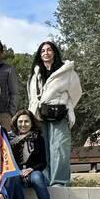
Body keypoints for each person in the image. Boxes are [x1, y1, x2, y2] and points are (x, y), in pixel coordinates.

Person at [28, 40, 82, 187]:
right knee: (43, 148)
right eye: (43, 50)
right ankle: (45, 178)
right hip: (40, 115)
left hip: (59, 114)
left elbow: (76, 93)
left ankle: (59, 181)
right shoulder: (36, 74)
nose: (46, 53)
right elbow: (32, 96)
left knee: (59, 148)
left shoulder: (67, 72)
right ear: (40, 54)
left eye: (49, 50)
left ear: (54, 52)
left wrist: (67, 106)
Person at [10, 109, 58, 199]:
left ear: (32, 123)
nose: (23, 124)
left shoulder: (38, 139)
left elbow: (43, 162)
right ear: (16, 122)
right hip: (17, 172)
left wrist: (31, 169)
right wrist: (18, 171)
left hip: (33, 172)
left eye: (26, 121)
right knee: (13, 177)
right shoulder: (10, 139)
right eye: (20, 121)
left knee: (37, 177)